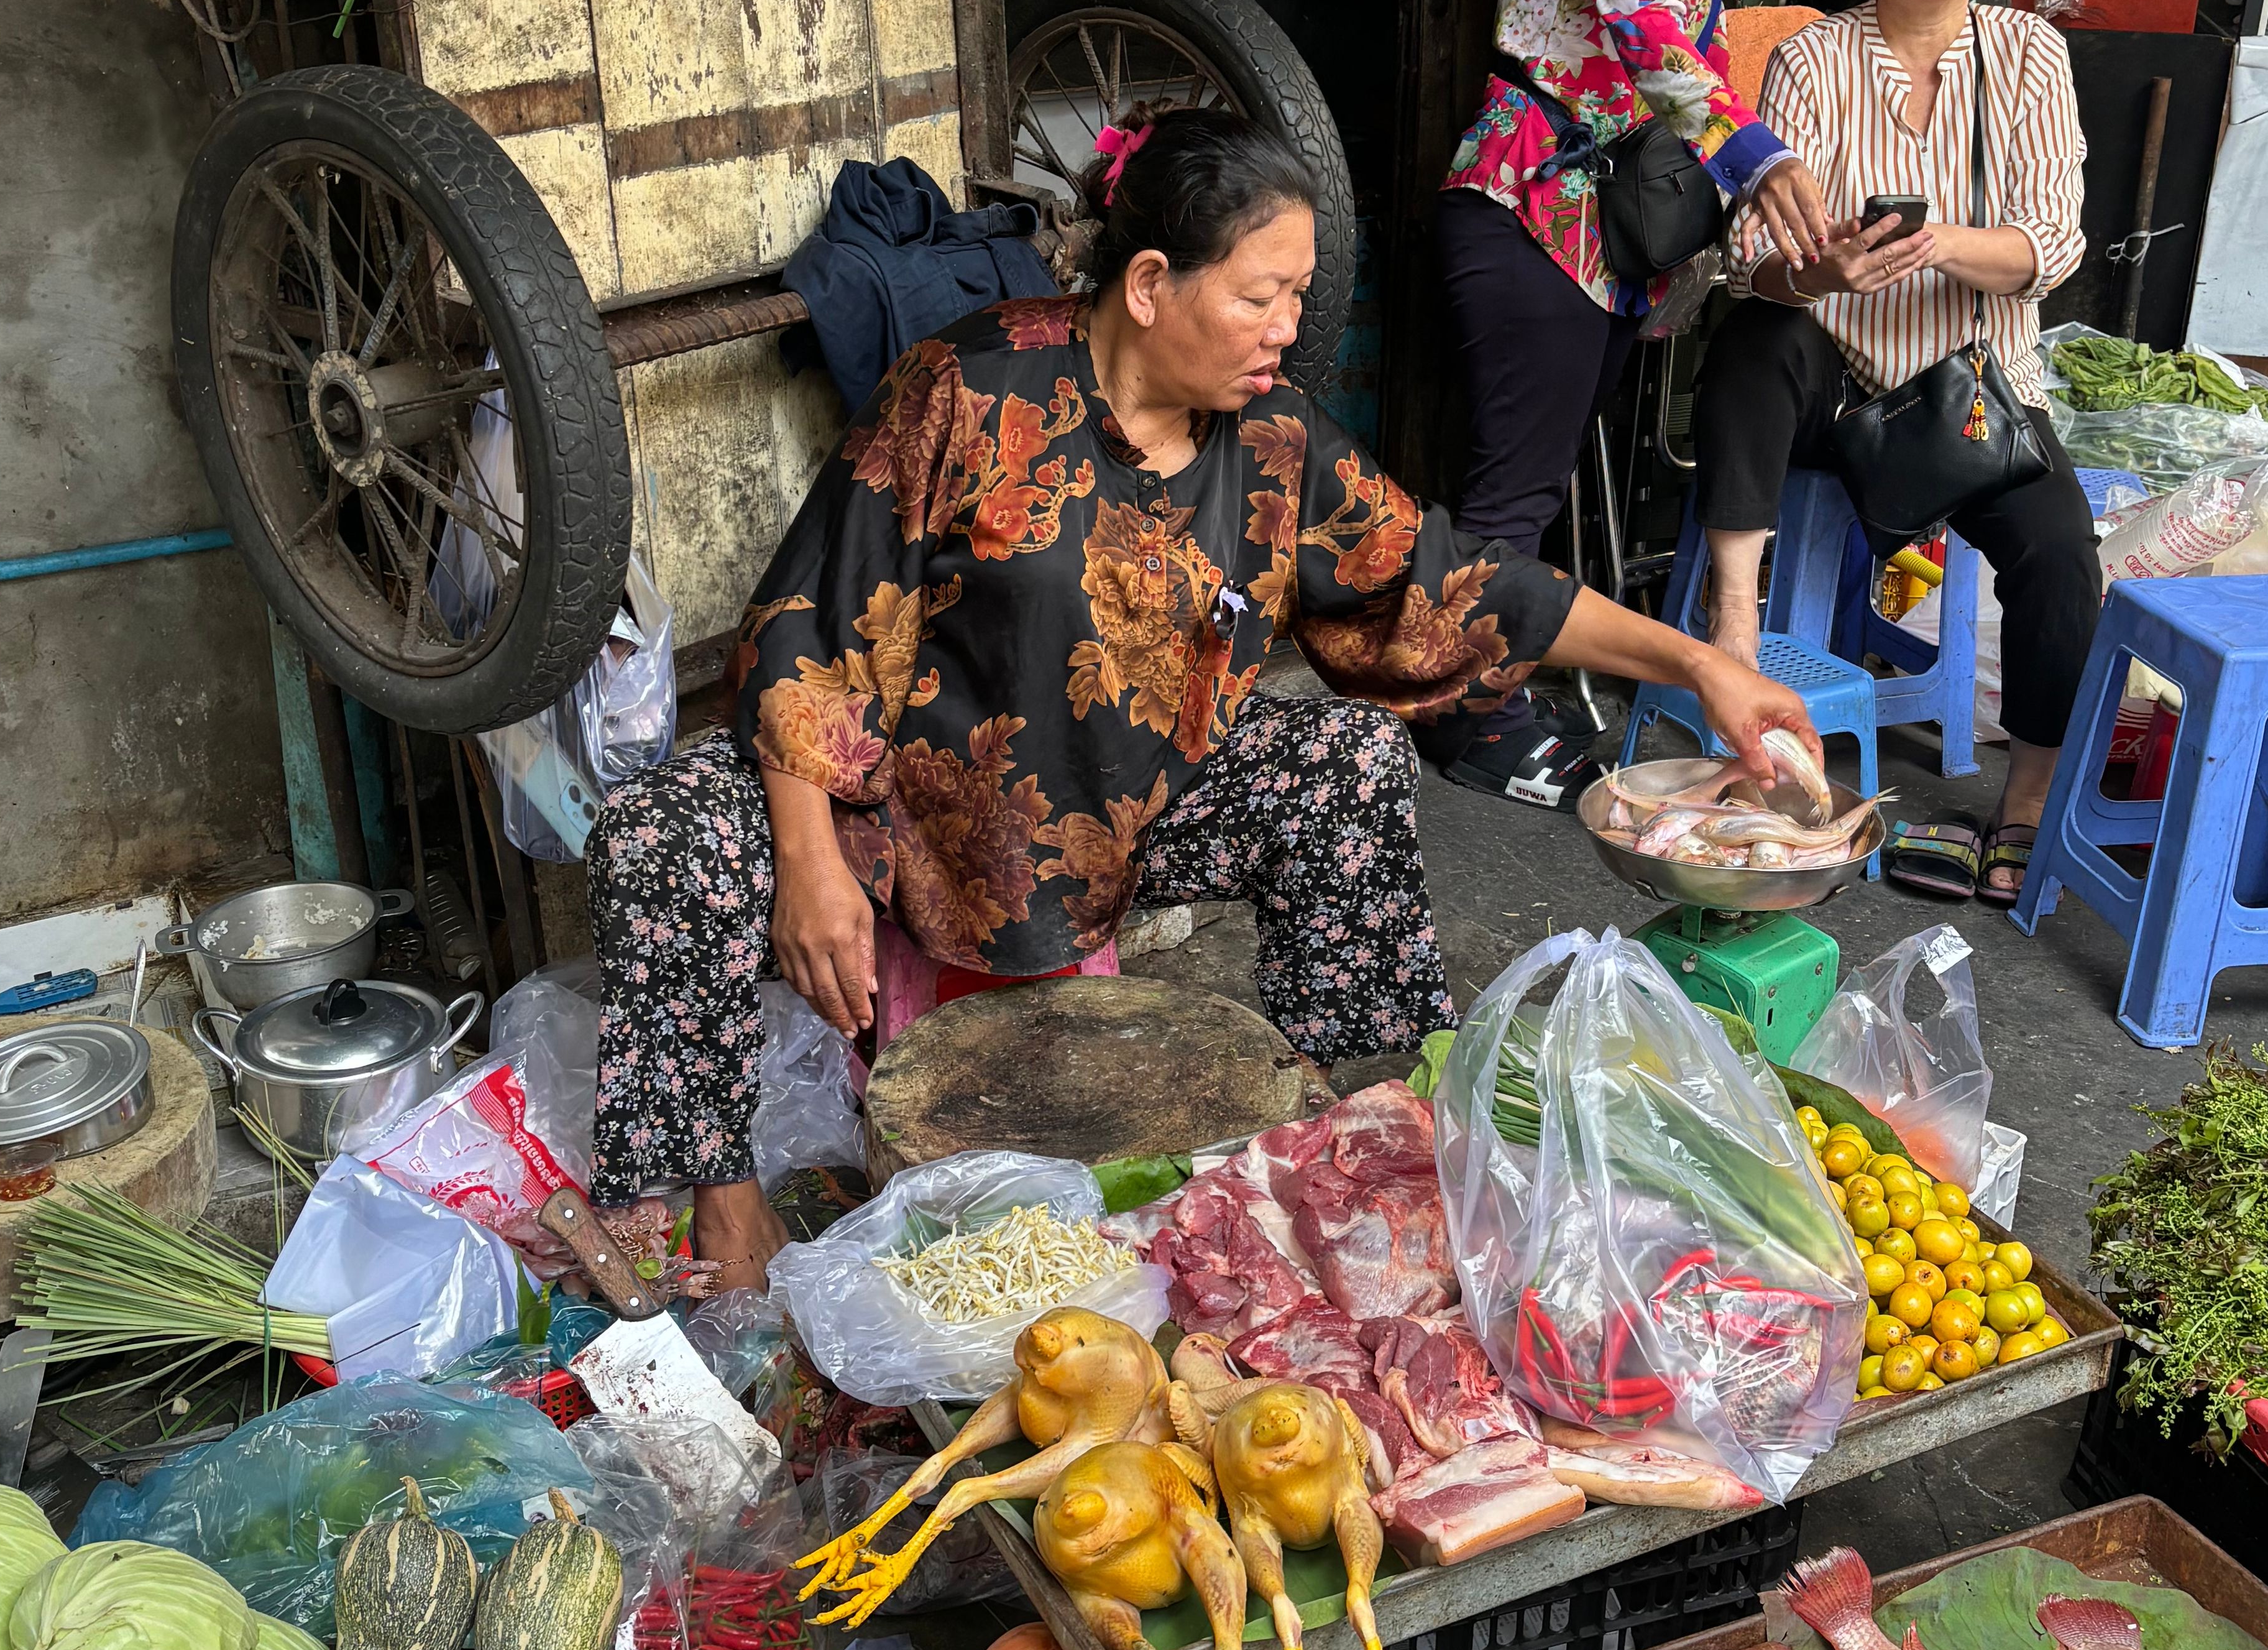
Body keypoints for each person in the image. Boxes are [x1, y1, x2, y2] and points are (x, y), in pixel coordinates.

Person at [585, 109, 1820, 1284]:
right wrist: (808, 859)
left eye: (1298, 298)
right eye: (1258, 296)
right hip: (907, 815)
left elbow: (1453, 584)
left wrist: (1702, 663)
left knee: (1346, 762)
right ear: (1148, 285)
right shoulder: (969, 388)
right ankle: (723, 1198)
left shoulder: (1275, 443)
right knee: (661, 834)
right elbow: (811, 624)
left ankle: (1350, 1131)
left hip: (1133, 811)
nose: (1287, 329)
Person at [1428, 0, 1837, 808]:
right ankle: (1469, 720)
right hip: (1534, 201)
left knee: (1538, 470)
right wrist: (1754, 156)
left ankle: (1487, 685)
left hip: (1594, 218)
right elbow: (1645, 23)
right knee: (1512, 489)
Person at [1691, 0, 2105, 910]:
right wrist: (1818, 271)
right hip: (1833, 383)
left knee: (2062, 556)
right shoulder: (1815, 59)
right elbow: (1747, 256)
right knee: (1755, 337)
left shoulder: (2029, 56)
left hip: (1973, 396)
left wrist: (1940, 245)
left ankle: (2026, 801)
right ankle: (1736, 631)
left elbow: (2054, 244)